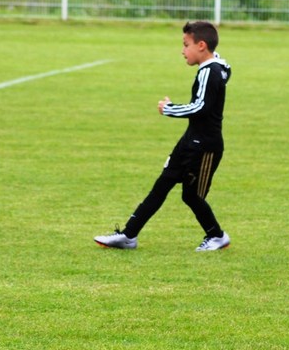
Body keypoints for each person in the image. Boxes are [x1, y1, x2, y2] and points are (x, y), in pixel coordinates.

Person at [95, 21, 231, 251]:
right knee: (161, 186)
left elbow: (201, 107)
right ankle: (128, 236)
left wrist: (169, 108)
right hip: (189, 142)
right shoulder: (215, 67)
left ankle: (217, 236)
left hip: (205, 147)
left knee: (192, 196)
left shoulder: (210, 71)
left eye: (186, 45)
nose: (182, 51)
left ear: (201, 45)